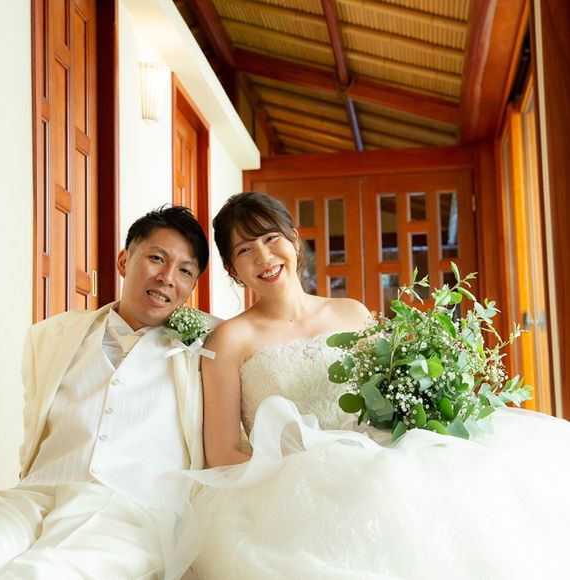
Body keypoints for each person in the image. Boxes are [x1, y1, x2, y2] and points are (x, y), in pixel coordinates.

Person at [182, 191, 570, 580]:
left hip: (377, 467)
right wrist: (304, 476)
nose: (264, 257)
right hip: (290, 489)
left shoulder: (351, 312)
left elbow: (391, 396)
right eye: (245, 250)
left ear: (294, 240)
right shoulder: (229, 340)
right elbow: (222, 453)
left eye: (271, 239)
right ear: (232, 268)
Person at [0, 205, 217, 579]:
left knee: (40, 573)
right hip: (34, 495)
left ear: (192, 286)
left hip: (129, 512)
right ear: (124, 261)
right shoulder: (50, 336)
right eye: (157, 259)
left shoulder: (211, 344)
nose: (167, 278)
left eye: (184, 271)